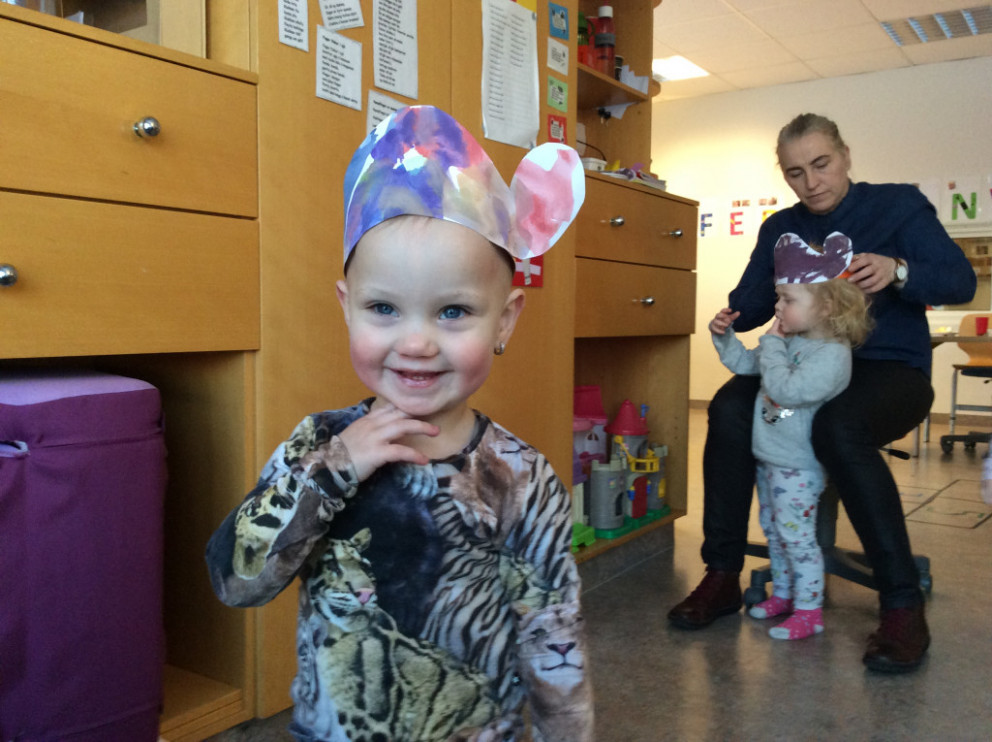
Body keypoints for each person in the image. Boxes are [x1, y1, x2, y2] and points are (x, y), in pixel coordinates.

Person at [206, 106, 592, 741]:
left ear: (504, 320)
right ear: (347, 307)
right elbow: (236, 582)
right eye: (384, 308)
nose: (415, 343)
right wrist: (335, 470)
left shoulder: (523, 479)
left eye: (453, 311)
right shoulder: (318, 444)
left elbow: (554, 638)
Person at [668, 113, 976, 673]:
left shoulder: (897, 206)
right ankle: (721, 574)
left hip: (889, 370)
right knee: (730, 407)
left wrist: (898, 270)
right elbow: (752, 303)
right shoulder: (779, 227)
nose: (811, 182)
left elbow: (960, 281)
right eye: (795, 173)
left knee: (839, 425)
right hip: (801, 361)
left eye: (821, 164)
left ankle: (902, 602)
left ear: (845, 155)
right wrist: (742, 308)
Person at [710, 232, 871, 641]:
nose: (777, 307)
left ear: (826, 306)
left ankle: (809, 610)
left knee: (797, 538)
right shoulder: (791, 341)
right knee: (775, 532)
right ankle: (783, 594)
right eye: (778, 297)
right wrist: (724, 336)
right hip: (770, 456)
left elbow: (786, 390)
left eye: (787, 300)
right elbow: (746, 364)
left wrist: (771, 343)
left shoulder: (832, 355)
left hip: (799, 465)